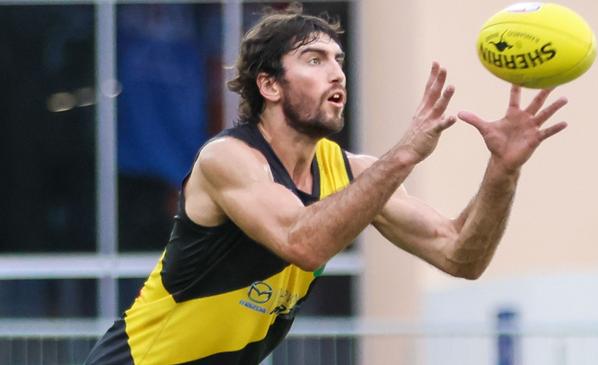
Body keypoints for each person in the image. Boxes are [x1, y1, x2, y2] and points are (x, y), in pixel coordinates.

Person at [85, 5, 568, 365]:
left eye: (338, 59)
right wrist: (404, 153)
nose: (337, 71)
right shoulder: (228, 159)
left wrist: (502, 171)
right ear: (270, 86)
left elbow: (460, 254)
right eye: (314, 59)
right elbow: (303, 242)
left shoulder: (352, 172)